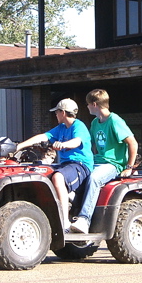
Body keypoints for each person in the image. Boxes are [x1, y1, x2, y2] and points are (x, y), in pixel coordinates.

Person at [17, 98, 93, 231]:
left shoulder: (78, 126)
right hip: (65, 165)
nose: (55, 115)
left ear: (63, 112)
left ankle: (65, 223)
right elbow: (43, 137)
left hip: (80, 165)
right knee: (39, 171)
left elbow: (77, 141)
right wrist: (18, 146)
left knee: (58, 177)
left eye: (56, 112)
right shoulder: (61, 128)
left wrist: (63, 144)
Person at [70, 89, 137, 234]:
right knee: (78, 172)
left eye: (88, 104)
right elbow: (88, 144)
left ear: (94, 104)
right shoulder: (95, 123)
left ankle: (84, 219)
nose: (86, 107)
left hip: (113, 164)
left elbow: (133, 143)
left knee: (94, 178)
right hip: (97, 161)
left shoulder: (115, 121)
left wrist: (129, 167)